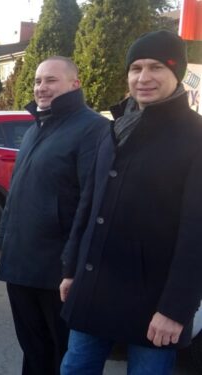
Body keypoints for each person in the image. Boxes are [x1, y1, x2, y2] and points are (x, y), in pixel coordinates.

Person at [60, 30, 202, 375]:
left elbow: (196, 233)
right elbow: (89, 205)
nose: (144, 77)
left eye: (156, 67)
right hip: (95, 287)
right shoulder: (116, 127)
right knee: (74, 368)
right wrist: (70, 268)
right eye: (136, 68)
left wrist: (176, 308)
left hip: (154, 303)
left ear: (177, 72)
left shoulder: (195, 137)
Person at [0, 56, 109, 375]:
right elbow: (20, 191)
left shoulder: (94, 129)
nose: (41, 87)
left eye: (51, 80)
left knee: (60, 353)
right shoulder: (36, 127)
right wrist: (5, 240)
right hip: (20, 264)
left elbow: (92, 202)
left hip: (56, 271)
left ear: (75, 84)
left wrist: (73, 267)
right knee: (32, 349)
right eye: (37, 81)